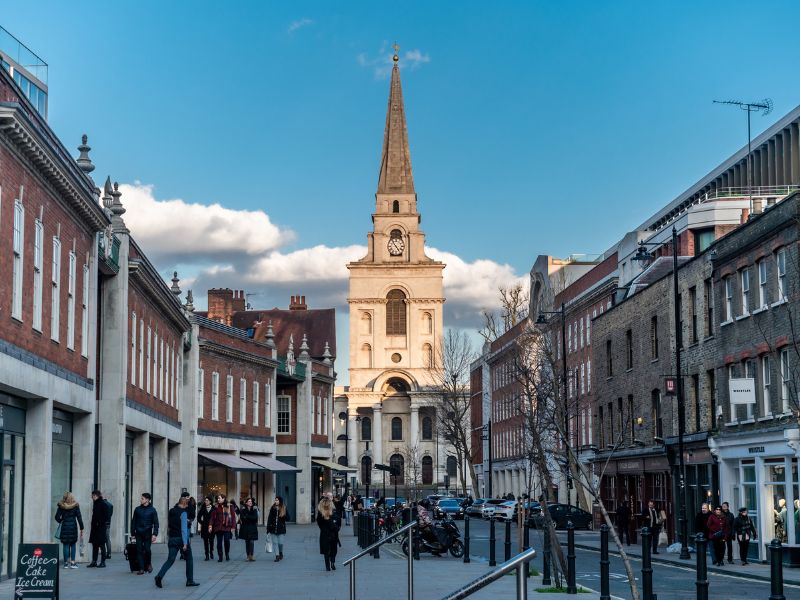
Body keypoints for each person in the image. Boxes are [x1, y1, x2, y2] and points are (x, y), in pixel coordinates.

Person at [154, 495, 199, 588]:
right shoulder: (183, 513)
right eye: (187, 505)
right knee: (189, 559)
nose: (187, 507)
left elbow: (169, 524)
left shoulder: (171, 511)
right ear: (184, 504)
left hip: (172, 538)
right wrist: (185, 543)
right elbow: (183, 529)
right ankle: (190, 580)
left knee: (170, 559)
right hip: (181, 539)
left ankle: (159, 576)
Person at [131, 493, 159, 575]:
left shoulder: (152, 510)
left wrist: (155, 534)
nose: (141, 500)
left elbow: (156, 523)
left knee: (147, 549)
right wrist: (133, 533)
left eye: (142, 498)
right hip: (138, 533)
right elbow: (133, 522)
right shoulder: (137, 509)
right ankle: (141, 568)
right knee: (139, 550)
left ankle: (149, 563)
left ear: (147, 500)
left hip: (147, 533)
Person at [55, 492, 84, 569]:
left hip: (64, 527)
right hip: (73, 527)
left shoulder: (61, 506)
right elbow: (79, 517)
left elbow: (57, 517)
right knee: (73, 544)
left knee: (66, 545)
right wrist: (81, 527)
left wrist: (61, 520)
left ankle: (65, 564)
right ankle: (73, 563)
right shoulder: (75, 506)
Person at [317, 497, 341, 571]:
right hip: (332, 534)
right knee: (333, 550)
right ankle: (332, 562)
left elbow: (320, 525)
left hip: (325, 534)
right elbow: (338, 524)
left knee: (326, 551)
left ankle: (328, 566)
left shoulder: (320, 515)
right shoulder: (332, 514)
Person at [209, 494, 234, 562]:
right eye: (217, 498)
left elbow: (233, 517)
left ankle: (227, 554)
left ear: (223, 499)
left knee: (226, 540)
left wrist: (233, 527)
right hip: (218, 527)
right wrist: (210, 526)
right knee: (219, 543)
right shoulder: (216, 507)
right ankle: (220, 556)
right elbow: (212, 517)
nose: (218, 500)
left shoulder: (229, 506)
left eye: (219, 498)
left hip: (227, 526)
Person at [87, 490, 109, 568]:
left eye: (93, 496)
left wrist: (100, 523)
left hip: (100, 528)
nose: (92, 497)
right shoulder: (96, 503)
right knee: (95, 545)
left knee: (102, 545)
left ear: (96, 496)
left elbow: (106, 516)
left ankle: (103, 562)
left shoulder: (103, 504)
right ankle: (94, 561)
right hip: (95, 528)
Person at [266, 496, 289, 562]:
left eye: (277, 500)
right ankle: (277, 556)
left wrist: (283, 515)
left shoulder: (284, 508)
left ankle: (281, 552)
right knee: (275, 543)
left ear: (280, 501)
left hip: (281, 529)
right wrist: (268, 528)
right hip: (273, 528)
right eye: (275, 500)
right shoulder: (272, 508)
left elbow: (288, 518)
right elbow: (269, 518)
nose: (276, 501)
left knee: (280, 543)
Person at [239, 497, 259, 561]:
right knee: (247, 542)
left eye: (251, 501)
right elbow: (242, 518)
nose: (250, 502)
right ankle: (248, 556)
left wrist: (247, 516)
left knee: (251, 542)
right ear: (246, 502)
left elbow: (255, 518)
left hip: (252, 528)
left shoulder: (254, 509)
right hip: (245, 528)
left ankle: (252, 556)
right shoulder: (243, 509)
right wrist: (250, 518)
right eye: (249, 501)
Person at [197, 496, 215, 561]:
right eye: (205, 500)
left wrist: (214, 524)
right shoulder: (203, 508)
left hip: (212, 527)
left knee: (211, 541)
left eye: (207, 500)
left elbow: (216, 518)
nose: (206, 501)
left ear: (210, 501)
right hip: (204, 527)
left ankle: (211, 551)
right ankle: (207, 555)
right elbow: (198, 517)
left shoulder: (214, 508)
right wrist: (202, 522)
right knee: (205, 541)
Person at [103, 496, 113, 561]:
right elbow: (111, 514)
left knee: (102, 539)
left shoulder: (102, 504)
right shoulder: (110, 505)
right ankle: (109, 553)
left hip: (103, 524)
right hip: (108, 523)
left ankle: (104, 553)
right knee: (107, 539)